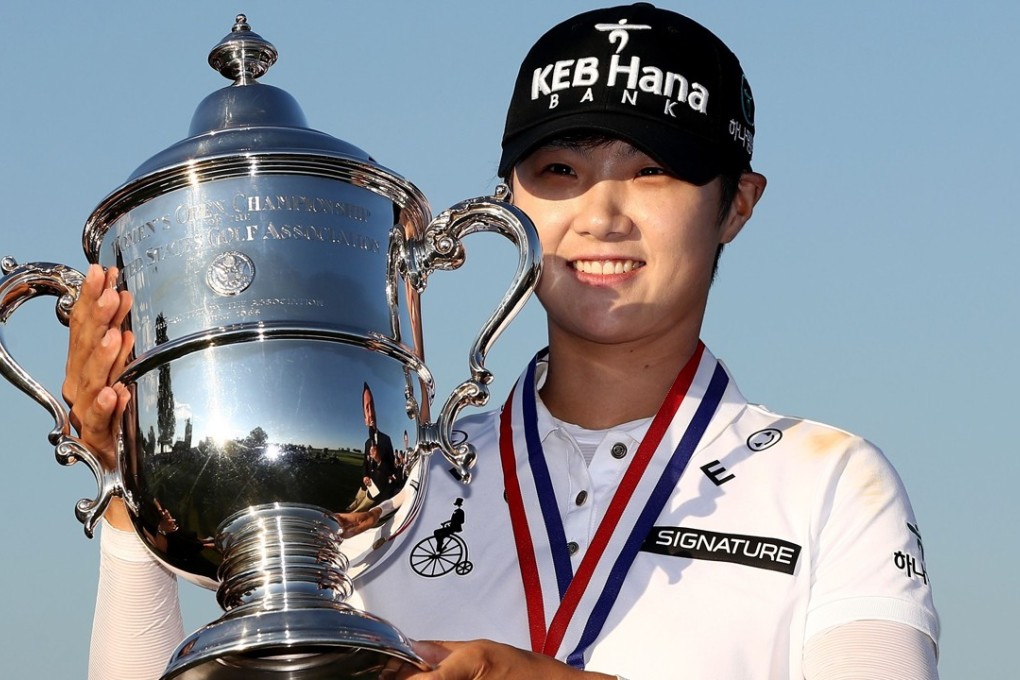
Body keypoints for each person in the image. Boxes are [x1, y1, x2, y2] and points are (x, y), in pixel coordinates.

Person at [65, 4, 939, 679]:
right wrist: (126, 477)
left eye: (654, 171)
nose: (602, 215)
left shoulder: (827, 483)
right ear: (507, 203)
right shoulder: (384, 484)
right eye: (560, 171)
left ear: (737, 204)